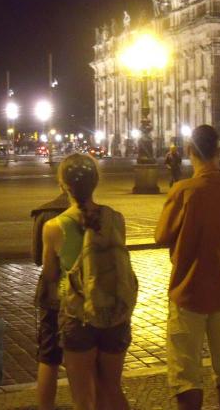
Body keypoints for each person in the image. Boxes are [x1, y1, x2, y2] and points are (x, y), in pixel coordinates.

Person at [155, 125, 220, 410]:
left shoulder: (183, 191)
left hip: (188, 291)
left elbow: (161, 236)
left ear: (188, 151)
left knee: (186, 375)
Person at [42, 154, 132, 410]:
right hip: (114, 312)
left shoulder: (54, 227)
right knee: (111, 388)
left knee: (83, 397)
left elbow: (50, 275)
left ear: (63, 185)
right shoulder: (116, 218)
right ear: (95, 182)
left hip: (77, 314)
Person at [30, 189, 71, 410]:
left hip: (54, 294)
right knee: (83, 357)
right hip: (87, 296)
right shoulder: (102, 215)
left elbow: (38, 258)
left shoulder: (45, 214)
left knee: (49, 355)